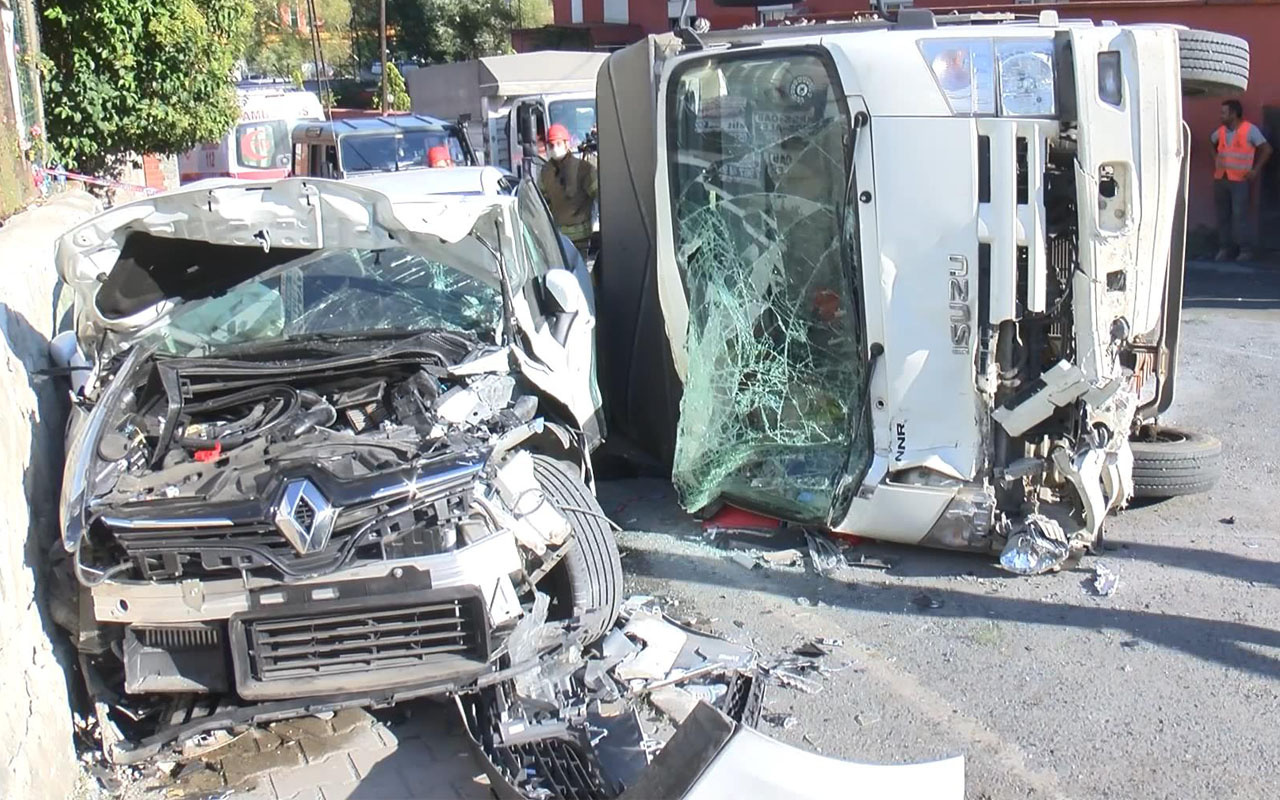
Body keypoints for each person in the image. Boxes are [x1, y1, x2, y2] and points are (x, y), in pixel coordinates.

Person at [1212, 100, 1272, 262]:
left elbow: (1267, 149)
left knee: (1239, 216)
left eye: (1224, 112)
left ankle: (1245, 250)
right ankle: (1224, 248)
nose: (1221, 115)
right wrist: (1216, 158)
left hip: (1240, 180)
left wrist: (1255, 170)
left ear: (1233, 114)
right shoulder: (1222, 131)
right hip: (1221, 179)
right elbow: (1212, 142)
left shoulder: (1250, 130)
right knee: (1223, 215)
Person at [538, 123, 597, 257]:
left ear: (567, 144)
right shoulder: (545, 172)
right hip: (558, 239)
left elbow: (600, 195)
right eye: (551, 145)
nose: (554, 148)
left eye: (558, 143)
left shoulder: (584, 169)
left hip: (581, 240)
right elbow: (541, 203)